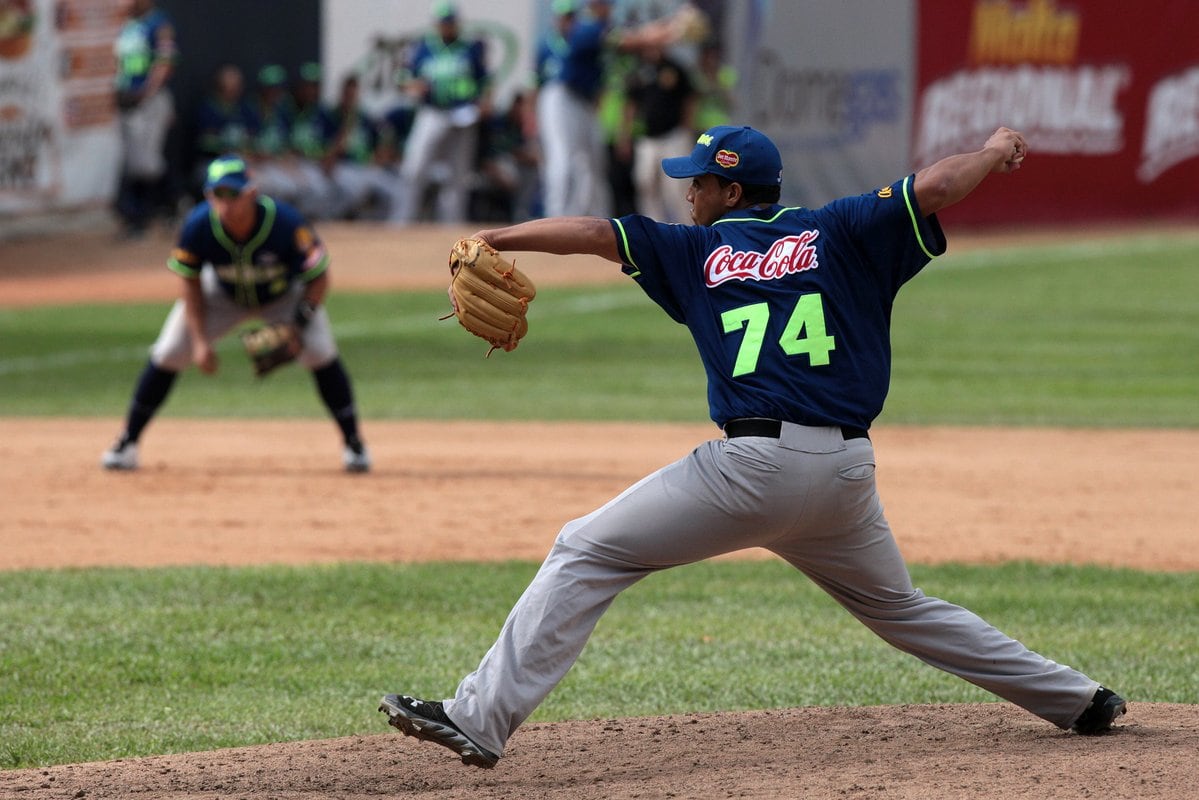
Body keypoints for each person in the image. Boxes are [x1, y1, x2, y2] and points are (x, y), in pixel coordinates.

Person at [378, 124, 1126, 767]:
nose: (687, 194)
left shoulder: (689, 252)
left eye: (698, 183)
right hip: (843, 475)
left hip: (749, 470)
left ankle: (478, 718)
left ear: (732, 193)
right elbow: (932, 187)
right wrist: (994, 149)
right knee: (901, 608)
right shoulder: (839, 229)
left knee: (585, 550)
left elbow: (596, 235)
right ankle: (1078, 700)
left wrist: (495, 237)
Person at [101, 154, 371, 474]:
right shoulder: (198, 225)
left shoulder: (285, 223)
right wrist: (199, 342)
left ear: (251, 193)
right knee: (169, 352)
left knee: (320, 353)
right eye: (218, 194)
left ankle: (354, 444)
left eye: (233, 193)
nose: (225, 203)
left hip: (283, 296)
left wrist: (297, 326)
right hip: (220, 295)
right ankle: (127, 442)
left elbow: (319, 277)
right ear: (208, 196)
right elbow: (190, 282)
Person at [393, 1, 491, 224]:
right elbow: (403, 78)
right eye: (442, 23)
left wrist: (485, 102)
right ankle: (401, 221)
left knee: (458, 174)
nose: (446, 27)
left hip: (464, 114)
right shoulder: (423, 48)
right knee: (415, 167)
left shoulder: (470, 48)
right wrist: (413, 86)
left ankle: (451, 226)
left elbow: (485, 81)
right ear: (436, 24)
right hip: (432, 112)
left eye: (450, 22)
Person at [112, 0, 178, 237]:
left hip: (148, 100)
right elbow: (122, 64)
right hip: (128, 101)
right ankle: (150, 213)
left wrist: (147, 92)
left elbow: (165, 62)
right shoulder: (128, 25)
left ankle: (156, 211)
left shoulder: (159, 24)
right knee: (134, 161)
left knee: (146, 163)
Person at [621, 41, 697, 223]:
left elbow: (690, 100)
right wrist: (625, 136)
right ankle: (653, 226)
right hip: (647, 138)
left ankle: (686, 227)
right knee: (645, 183)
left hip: (674, 136)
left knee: (677, 187)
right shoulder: (638, 72)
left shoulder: (676, 68)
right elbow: (631, 105)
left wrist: (687, 130)